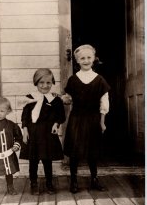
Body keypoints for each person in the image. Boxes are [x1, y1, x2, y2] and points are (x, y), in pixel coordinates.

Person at [63, 44, 110, 193]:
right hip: (77, 118)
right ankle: (74, 181)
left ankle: (94, 179)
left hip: (93, 119)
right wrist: (65, 99)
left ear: (93, 59)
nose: (86, 60)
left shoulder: (99, 80)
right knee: (75, 151)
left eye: (89, 57)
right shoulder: (73, 80)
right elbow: (69, 98)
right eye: (82, 58)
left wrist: (102, 122)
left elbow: (104, 102)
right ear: (77, 61)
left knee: (93, 150)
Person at [20, 68, 66, 195]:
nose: (45, 86)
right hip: (33, 133)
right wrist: (25, 131)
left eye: (48, 83)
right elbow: (25, 117)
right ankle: (33, 183)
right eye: (41, 83)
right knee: (33, 160)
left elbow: (61, 116)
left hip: (47, 134)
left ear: (52, 83)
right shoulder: (30, 98)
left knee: (47, 160)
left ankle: (49, 183)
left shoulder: (55, 99)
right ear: (36, 83)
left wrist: (56, 124)